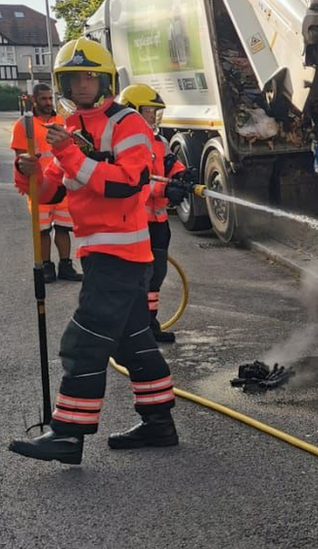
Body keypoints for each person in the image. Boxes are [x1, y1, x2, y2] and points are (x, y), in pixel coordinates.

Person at [8, 38, 188, 464]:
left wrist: (68, 155)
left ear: (104, 79)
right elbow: (51, 189)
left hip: (121, 254)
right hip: (100, 253)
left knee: (82, 343)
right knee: (132, 345)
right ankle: (159, 425)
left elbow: (128, 183)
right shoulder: (69, 131)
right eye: (72, 78)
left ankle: (68, 435)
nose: (81, 85)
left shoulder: (128, 124)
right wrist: (28, 170)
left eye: (89, 76)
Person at [118, 83, 191, 343]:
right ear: (132, 110)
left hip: (158, 223)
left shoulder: (158, 141)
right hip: (136, 224)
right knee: (141, 278)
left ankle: (150, 325)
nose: (154, 116)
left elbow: (169, 163)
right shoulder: (125, 144)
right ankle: (137, 330)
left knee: (156, 275)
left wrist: (181, 174)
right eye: (150, 110)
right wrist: (164, 190)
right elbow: (133, 183)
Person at [10, 83, 83, 283]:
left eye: (50, 98)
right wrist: (28, 180)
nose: (48, 102)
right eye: (44, 98)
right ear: (34, 100)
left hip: (62, 185)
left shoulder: (62, 120)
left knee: (63, 228)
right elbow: (20, 159)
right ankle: (46, 267)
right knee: (43, 230)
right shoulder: (23, 125)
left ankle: (65, 265)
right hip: (38, 187)